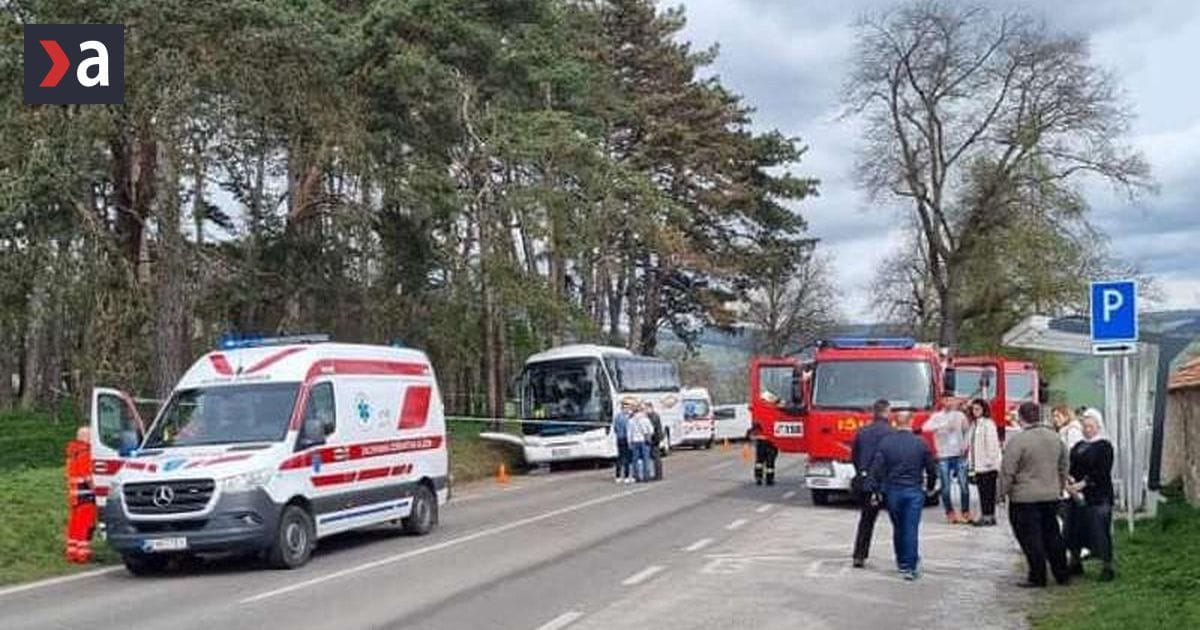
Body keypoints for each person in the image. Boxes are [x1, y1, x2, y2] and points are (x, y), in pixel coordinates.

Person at [1001, 402, 1070, 588]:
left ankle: (1037, 576)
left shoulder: (1018, 441)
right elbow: (1064, 467)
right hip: (1050, 495)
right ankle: (1062, 573)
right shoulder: (1056, 439)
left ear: (1021, 418)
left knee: (1030, 538)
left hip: (1024, 498)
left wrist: (1001, 494)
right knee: (1052, 534)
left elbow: (1008, 471)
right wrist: (1060, 487)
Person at [868, 410, 938, 580]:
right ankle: (910, 566)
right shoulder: (920, 443)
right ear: (911, 422)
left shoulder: (886, 443)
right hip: (914, 489)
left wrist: (875, 489)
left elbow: (877, 468)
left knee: (898, 527)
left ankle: (901, 562)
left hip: (893, 490)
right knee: (911, 529)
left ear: (895, 423)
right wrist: (930, 487)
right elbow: (931, 468)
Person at [1066, 408, 1116, 581]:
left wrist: (1083, 484)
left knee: (1099, 530)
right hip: (1077, 496)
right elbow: (1071, 466)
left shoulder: (1104, 446)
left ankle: (1107, 567)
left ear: (1098, 426)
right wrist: (1070, 480)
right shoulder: (1079, 446)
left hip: (1098, 495)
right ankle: (1075, 561)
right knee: (1074, 528)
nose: (1087, 429)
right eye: (1085, 426)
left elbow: (1102, 471)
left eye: (1090, 426)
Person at [851, 398, 895, 568]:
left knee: (866, 520)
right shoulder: (892, 432)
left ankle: (859, 555)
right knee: (898, 521)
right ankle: (903, 556)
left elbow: (854, 456)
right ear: (886, 412)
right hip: (887, 483)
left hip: (866, 482)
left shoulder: (863, 432)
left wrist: (862, 473)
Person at [923, 396, 971, 523]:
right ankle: (950, 512)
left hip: (959, 454)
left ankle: (965, 511)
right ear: (942, 401)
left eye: (951, 400)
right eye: (946, 400)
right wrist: (943, 426)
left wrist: (965, 446)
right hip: (944, 454)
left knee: (963, 484)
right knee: (945, 487)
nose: (949, 403)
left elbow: (967, 431)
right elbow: (925, 428)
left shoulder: (960, 416)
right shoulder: (937, 416)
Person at [966, 397, 1002, 526]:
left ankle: (988, 516)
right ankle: (987, 515)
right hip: (978, 465)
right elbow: (971, 446)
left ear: (984, 410)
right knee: (982, 492)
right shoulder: (974, 425)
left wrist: (990, 461)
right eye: (973, 409)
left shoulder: (988, 424)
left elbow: (992, 444)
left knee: (989, 492)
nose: (975, 411)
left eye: (978, 409)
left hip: (988, 466)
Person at [65, 426, 97, 563]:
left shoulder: (73, 453)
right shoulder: (85, 453)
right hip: (86, 496)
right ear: (86, 437)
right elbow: (88, 476)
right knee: (85, 526)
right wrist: (98, 491)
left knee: (75, 526)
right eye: (91, 436)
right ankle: (83, 555)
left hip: (75, 496)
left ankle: (72, 553)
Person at [628, 403, 655, 483]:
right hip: (644, 441)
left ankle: (637, 476)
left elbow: (629, 433)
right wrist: (648, 435)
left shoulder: (631, 421)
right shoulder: (645, 420)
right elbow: (651, 430)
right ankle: (646, 476)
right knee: (646, 459)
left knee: (635, 460)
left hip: (635, 441)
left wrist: (629, 442)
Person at [613, 397, 635, 483]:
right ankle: (626, 476)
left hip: (619, 438)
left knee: (620, 457)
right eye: (627, 408)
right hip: (626, 438)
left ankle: (618, 476)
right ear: (624, 408)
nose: (628, 409)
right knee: (627, 458)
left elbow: (615, 428)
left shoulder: (617, 417)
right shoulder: (627, 418)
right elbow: (628, 429)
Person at [645, 402, 664, 481]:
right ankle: (657, 474)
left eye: (646, 408)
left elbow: (651, 428)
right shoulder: (654, 415)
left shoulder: (653, 416)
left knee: (656, 457)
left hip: (655, 438)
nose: (645, 410)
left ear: (650, 408)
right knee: (655, 457)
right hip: (656, 437)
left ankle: (658, 475)